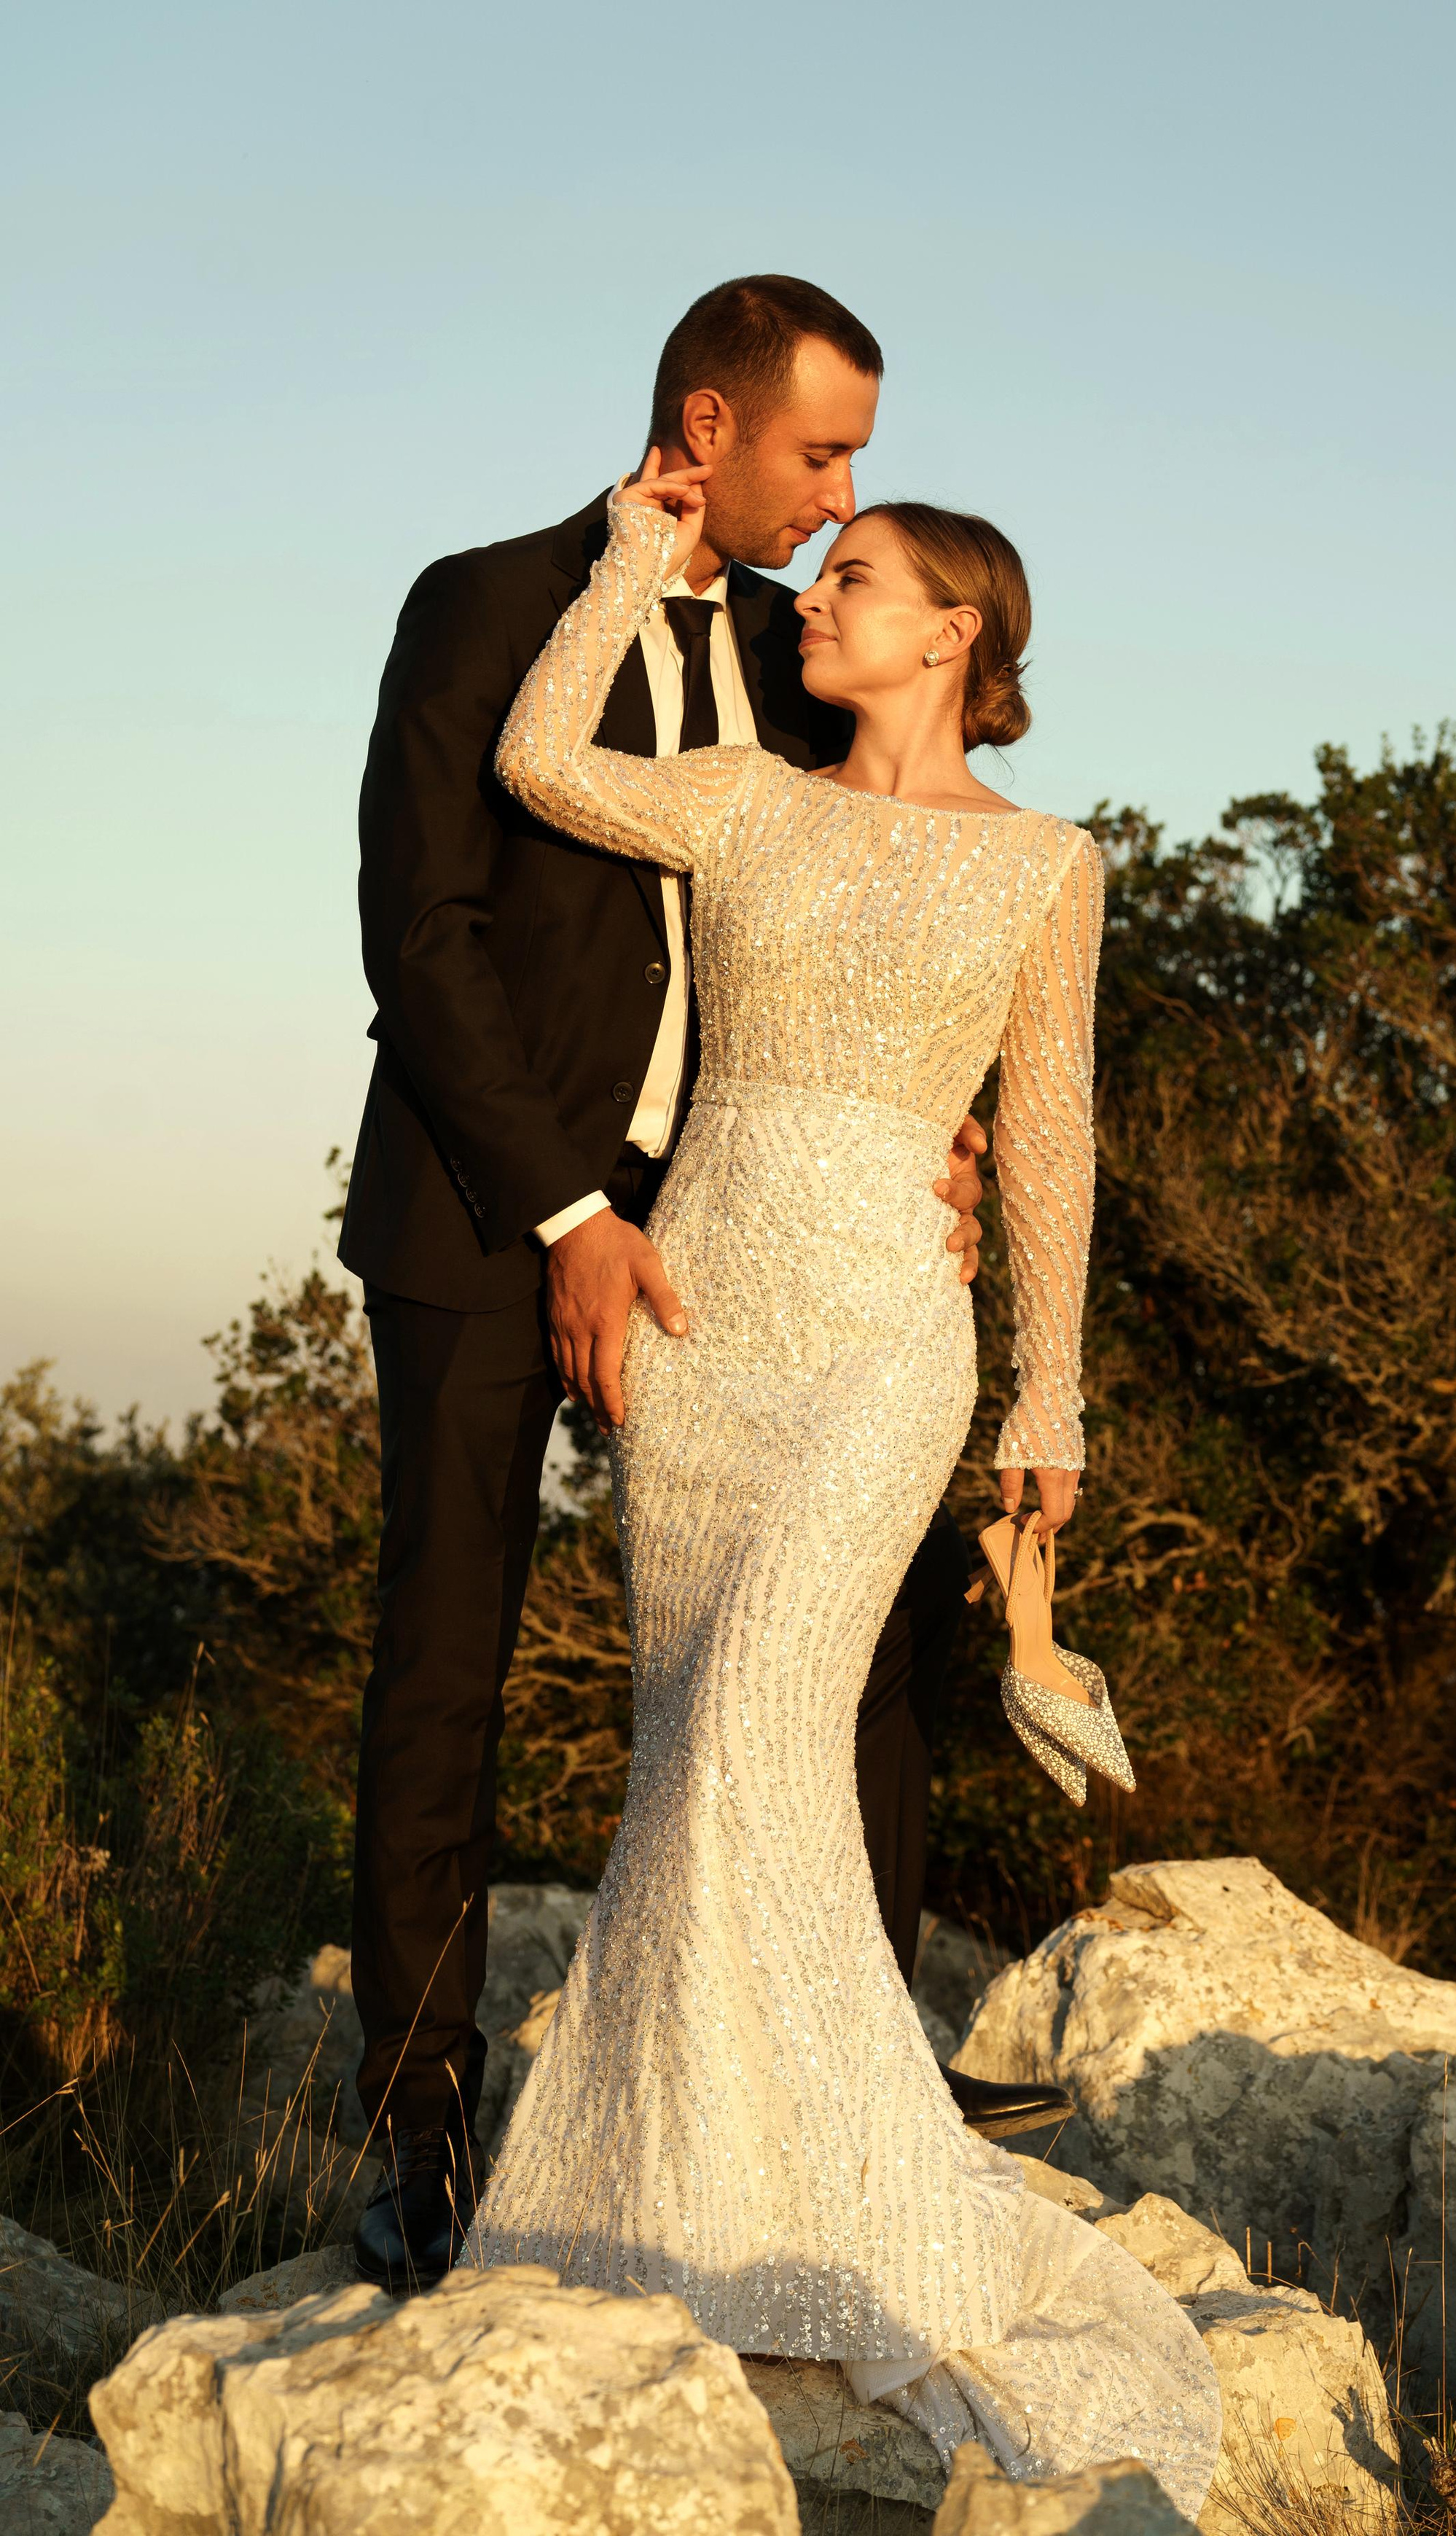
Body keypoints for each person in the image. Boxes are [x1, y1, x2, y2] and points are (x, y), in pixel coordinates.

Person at [468, 463, 1221, 2514]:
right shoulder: (736, 790)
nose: (818, 593)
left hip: (893, 1335)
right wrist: (635, 551)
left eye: (859, 579)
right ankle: (706, 2196)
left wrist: (1047, 1392)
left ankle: (846, 2208)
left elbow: (1047, 1134)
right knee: (691, 1752)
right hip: (705, 1323)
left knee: (757, 1722)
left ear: (955, 629)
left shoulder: (1051, 864)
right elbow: (538, 755)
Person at [337, 276, 1067, 2296]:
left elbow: (893, 906)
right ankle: (420, 2127)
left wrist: (920, 1126)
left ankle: (861, 2076)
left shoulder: (795, 642)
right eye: (822, 454)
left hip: (759, 1234)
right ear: (706, 420)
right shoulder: (482, 602)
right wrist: (575, 1215)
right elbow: (428, 933)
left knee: (853, 1646)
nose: (848, 501)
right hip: (500, 1220)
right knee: (449, 1659)